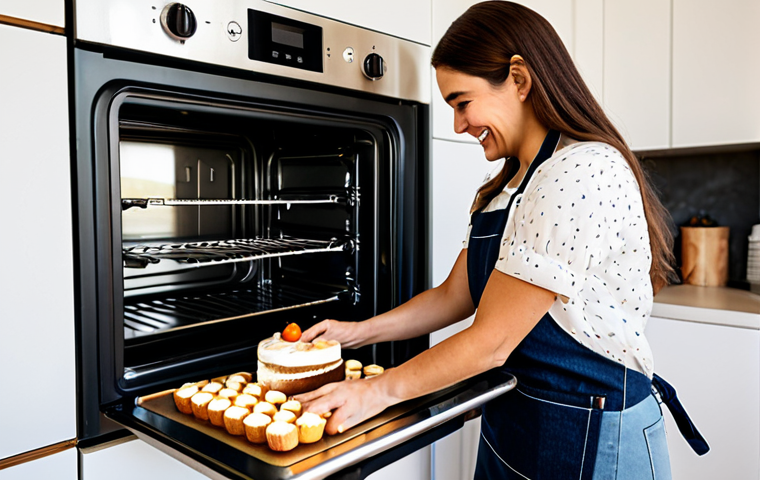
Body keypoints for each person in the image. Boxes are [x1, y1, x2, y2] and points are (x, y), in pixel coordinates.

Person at [295, 2, 708, 478]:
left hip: (592, 431)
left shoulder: (581, 170)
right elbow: (456, 295)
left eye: (461, 102)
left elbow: (491, 342)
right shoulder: (504, 188)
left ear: (519, 78)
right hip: (515, 417)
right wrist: (356, 332)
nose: (457, 124)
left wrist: (377, 391)